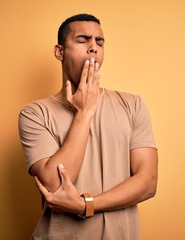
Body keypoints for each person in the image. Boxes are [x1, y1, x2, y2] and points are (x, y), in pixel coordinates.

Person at [19, 13, 158, 240]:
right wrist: (85, 112)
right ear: (60, 52)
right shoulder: (35, 114)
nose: (93, 47)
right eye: (83, 40)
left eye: (99, 42)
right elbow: (54, 185)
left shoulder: (133, 105)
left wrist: (86, 205)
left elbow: (148, 182)